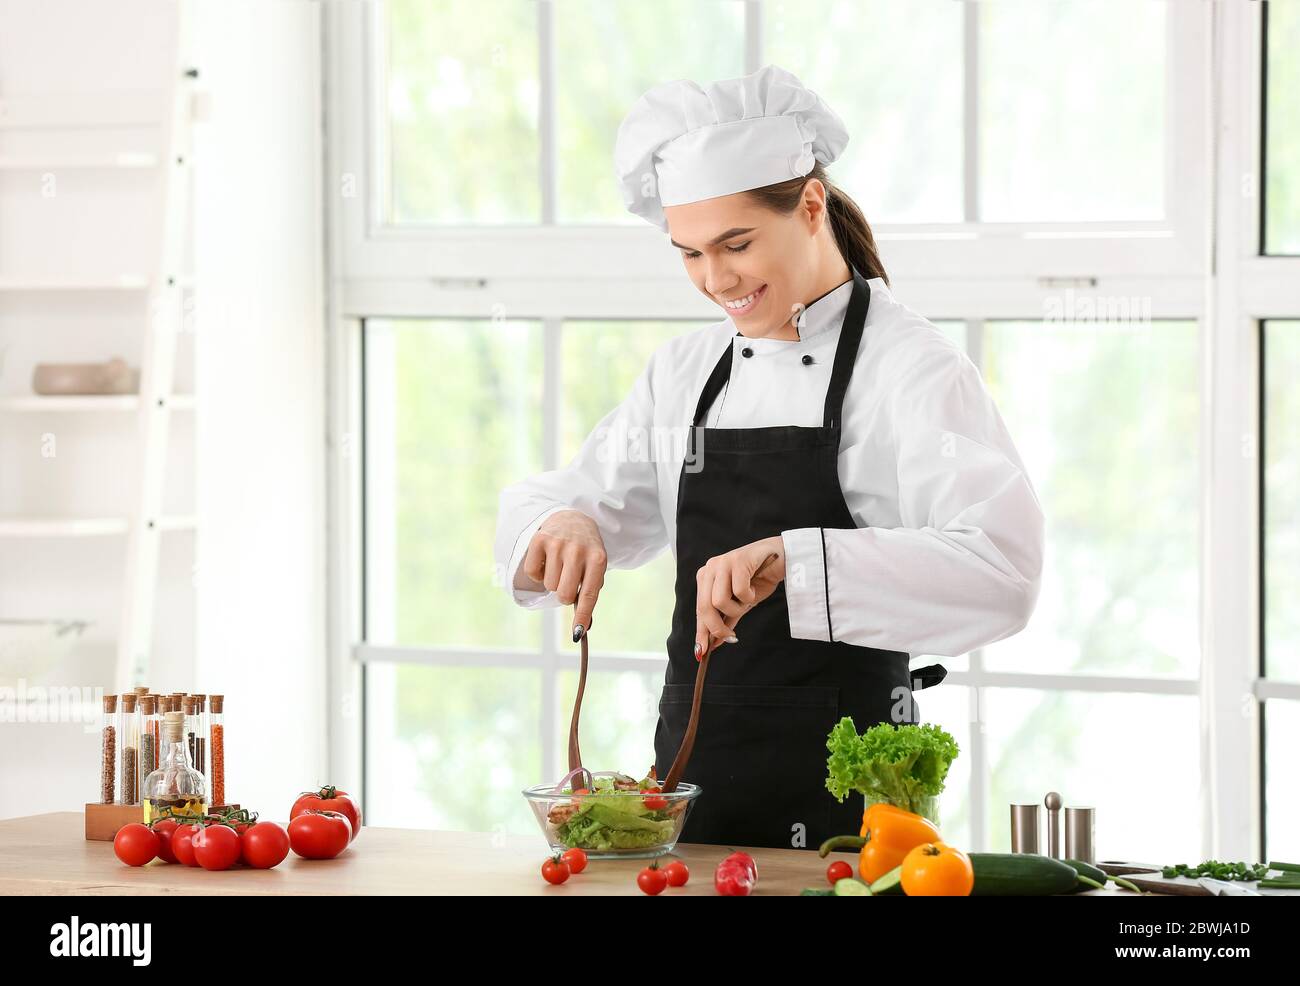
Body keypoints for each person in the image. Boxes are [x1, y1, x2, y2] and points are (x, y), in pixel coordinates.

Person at [494, 64, 1044, 849]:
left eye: (737, 244)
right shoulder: (685, 374)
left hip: (856, 827)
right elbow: (566, 498)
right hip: (690, 816)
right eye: (689, 253)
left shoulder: (910, 370)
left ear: (811, 204)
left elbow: (1004, 572)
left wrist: (795, 561)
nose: (716, 280)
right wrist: (565, 522)